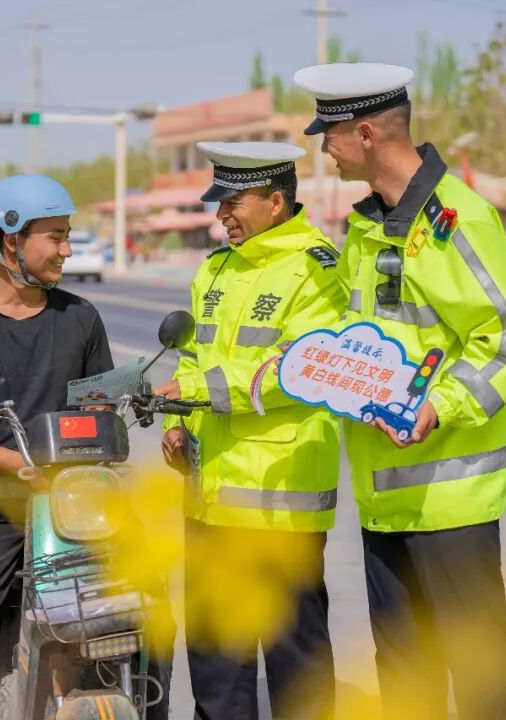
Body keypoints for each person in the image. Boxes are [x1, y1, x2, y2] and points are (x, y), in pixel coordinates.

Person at [294, 62, 506, 720]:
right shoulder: (367, 228)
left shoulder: (459, 220)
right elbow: (361, 336)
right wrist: (309, 362)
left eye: (330, 134)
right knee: (405, 673)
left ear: (368, 132)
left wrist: (439, 404)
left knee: (478, 668)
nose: (324, 148)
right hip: (385, 494)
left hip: (451, 491)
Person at [0, 174, 170, 719]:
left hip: (79, 497)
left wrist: (129, 398)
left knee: (147, 605)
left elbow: (98, 399)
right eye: (55, 236)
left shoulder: (80, 318)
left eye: (67, 235)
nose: (66, 250)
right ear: (10, 240)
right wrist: (17, 466)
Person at [154, 141, 349, 720]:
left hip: (278, 501)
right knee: (215, 662)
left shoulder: (316, 268)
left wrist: (192, 392)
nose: (221, 215)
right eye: (218, 202)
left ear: (275, 200)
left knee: (295, 664)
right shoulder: (213, 269)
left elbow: (301, 369)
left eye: (232, 202)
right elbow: (193, 359)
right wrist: (182, 423)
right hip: (208, 496)